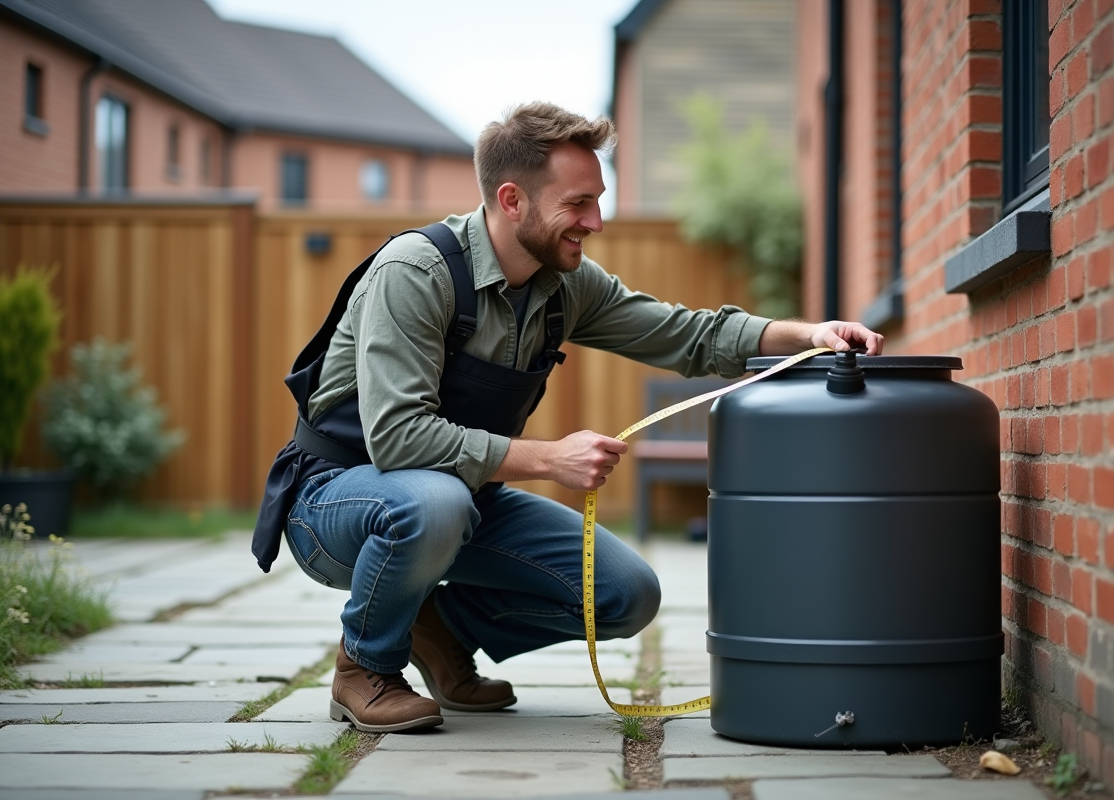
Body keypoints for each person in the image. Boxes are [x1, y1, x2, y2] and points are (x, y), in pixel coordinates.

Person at [251, 102, 884, 734]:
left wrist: (809, 334)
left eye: (598, 200)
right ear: (512, 199)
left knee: (624, 595)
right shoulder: (416, 273)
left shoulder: (565, 284)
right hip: (335, 501)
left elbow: (688, 335)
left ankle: (435, 630)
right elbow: (398, 438)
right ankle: (365, 666)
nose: (597, 221)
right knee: (433, 502)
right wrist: (551, 459)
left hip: (458, 501)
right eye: (578, 203)